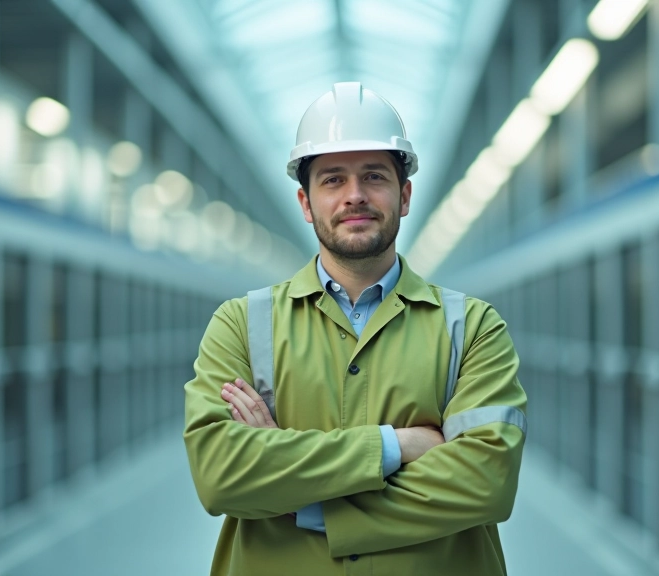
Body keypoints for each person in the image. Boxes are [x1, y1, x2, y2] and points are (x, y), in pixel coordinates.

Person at [183, 82, 527, 576]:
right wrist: (398, 445)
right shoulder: (240, 324)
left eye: (373, 176)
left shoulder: (472, 328)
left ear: (404, 195)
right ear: (306, 203)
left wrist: (302, 501)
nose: (355, 196)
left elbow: (486, 482)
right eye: (332, 180)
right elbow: (222, 476)